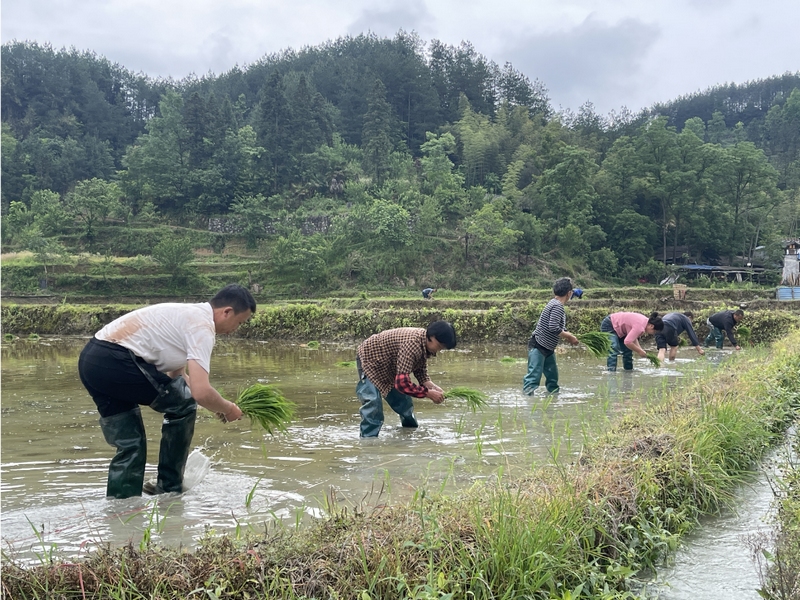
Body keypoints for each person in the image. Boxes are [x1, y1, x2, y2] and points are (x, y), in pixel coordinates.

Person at [78, 284, 256, 499]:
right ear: (226, 311)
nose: (236, 328)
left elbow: (177, 378)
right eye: (239, 322)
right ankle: (169, 487)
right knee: (186, 403)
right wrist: (228, 409)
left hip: (92, 361)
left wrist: (214, 405)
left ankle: (121, 507)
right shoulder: (202, 326)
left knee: (130, 443)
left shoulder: (185, 315)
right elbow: (199, 392)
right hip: (118, 360)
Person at [356, 321, 456, 437]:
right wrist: (428, 394)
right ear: (432, 337)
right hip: (371, 361)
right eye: (439, 346)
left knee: (403, 403)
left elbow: (420, 370)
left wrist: (432, 386)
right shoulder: (412, 344)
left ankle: (409, 432)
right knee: (373, 406)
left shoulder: (424, 344)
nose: (439, 350)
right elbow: (402, 384)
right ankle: (368, 442)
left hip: (390, 366)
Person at [522, 277, 579, 396]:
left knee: (552, 377)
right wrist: (569, 337)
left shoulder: (554, 303)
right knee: (533, 378)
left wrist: (568, 333)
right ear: (569, 293)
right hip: (539, 345)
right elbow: (553, 327)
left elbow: (558, 326)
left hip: (548, 347)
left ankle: (553, 399)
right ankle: (527, 402)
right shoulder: (557, 306)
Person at [600, 311, 664, 371]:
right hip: (610, 324)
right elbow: (627, 342)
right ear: (651, 326)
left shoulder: (644, 323)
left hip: (621, 330)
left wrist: (641, 350)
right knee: (613, 348)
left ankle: (628, 371)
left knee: (628, 351)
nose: (653, 333)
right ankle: (611, 373)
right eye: (654, 331)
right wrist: (639, 351)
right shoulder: (640, 327)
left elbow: (633, 339)